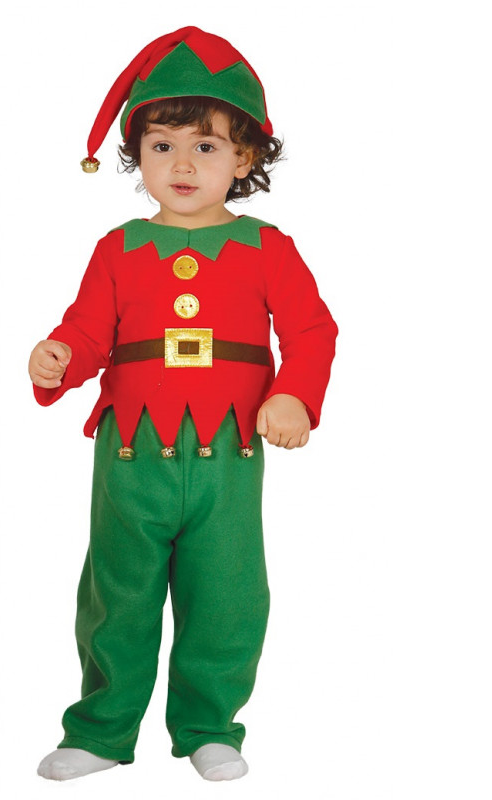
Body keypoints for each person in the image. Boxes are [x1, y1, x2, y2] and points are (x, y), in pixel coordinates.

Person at [28, 26, 338, 782]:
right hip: (131, 451)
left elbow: (311, 331)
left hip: (228, 450)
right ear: (137, 156)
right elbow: (88, 331)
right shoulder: (118, 247)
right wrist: (59, 358)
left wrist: (294, 395)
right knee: (117, 591)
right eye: (162, 146)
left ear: (245, 157)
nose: (183, 164)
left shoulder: (268, 247)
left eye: (206, 146)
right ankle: (102, 730)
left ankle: (209, 727)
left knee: (226, 591)